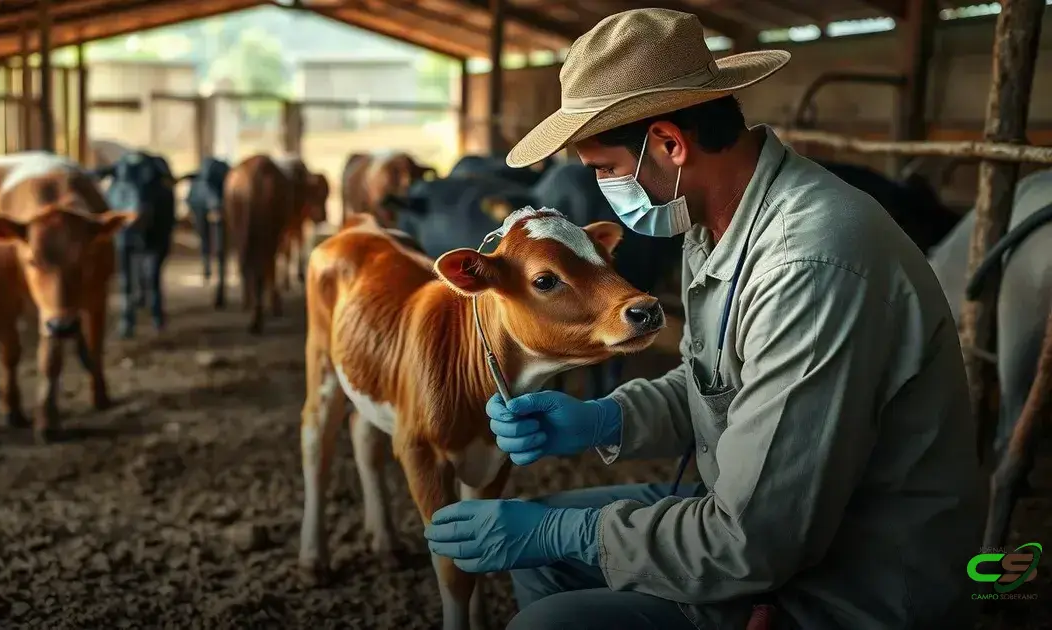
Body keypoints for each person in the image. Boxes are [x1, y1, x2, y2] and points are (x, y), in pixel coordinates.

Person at [422, 8, 987, 630]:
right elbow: (716, 384)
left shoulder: (809, 263)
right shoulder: (714, 225)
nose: (605, 188)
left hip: (853, 574)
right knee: (542, 562)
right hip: (762, 510)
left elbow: (756, 541)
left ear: (670, 144)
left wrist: (567, 531)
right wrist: (604, 419)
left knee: (548, 614)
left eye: (605, 170)